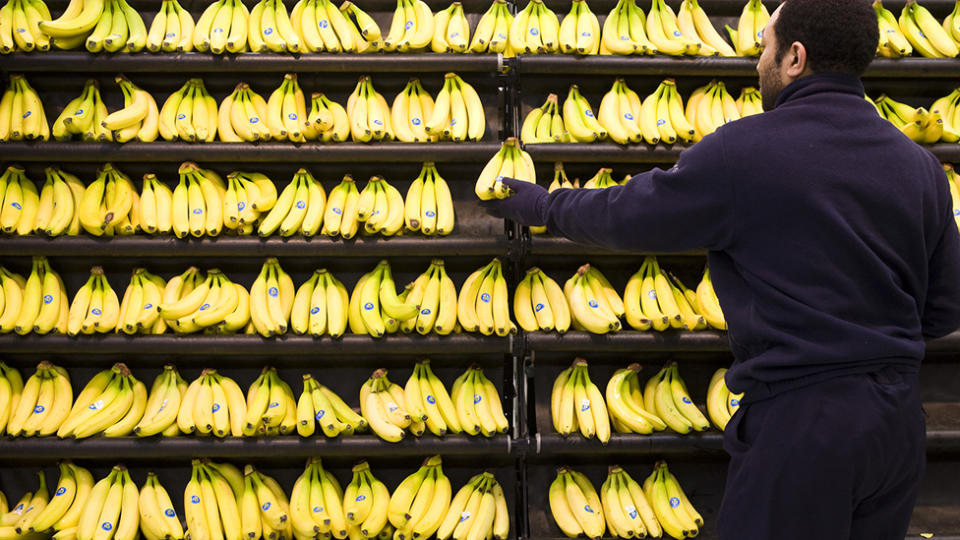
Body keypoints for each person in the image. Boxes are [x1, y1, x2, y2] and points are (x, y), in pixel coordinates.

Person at [482, 0, 960, 538]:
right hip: (896, 429)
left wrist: (545, 207)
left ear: (795, 58)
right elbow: (943, 309)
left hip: (806, 426)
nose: (758, 62)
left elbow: (632, 214)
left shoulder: (746, 151)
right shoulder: (921, 168)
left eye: (764, 47)